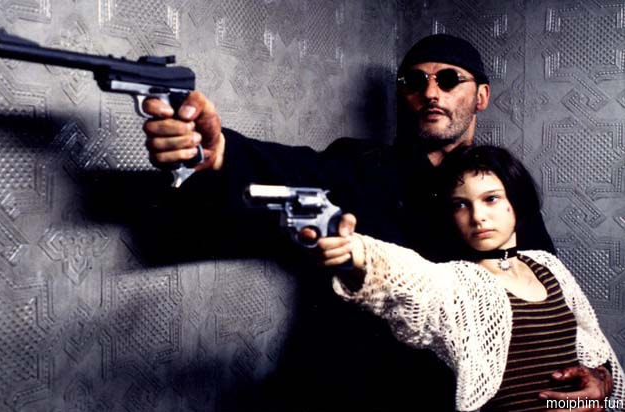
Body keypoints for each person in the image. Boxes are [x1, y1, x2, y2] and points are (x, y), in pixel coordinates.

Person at [141, 34, 614, 410]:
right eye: (414, 81)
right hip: (367, 392)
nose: (430, 92)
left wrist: (602, 380)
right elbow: (286, 168)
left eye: (449, 79)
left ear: (482, 96)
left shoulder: (502, 189)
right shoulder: (359, 166)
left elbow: (555, 305)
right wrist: (218, 151)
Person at [313, 145, 624, 411]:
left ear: (516, 201)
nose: (477, 217)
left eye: (491, 199)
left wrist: (601, 380)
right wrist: (359, 252)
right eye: (461, 204)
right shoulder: (460, 282)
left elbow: (593, 348)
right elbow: (413, 279)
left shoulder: (548, 267)